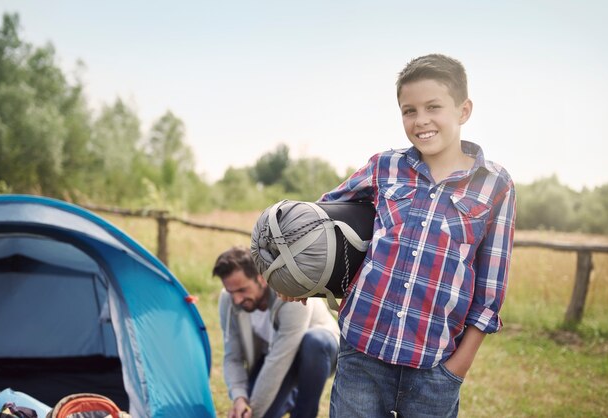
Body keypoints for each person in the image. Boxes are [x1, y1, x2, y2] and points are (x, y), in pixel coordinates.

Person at [285, 54, 516, 417]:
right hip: (362, 351)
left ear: (464, 110)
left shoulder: (495, 184)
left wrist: (457, 368)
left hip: (434, 366)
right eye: (409, 110)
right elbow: (319, 220)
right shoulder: (384, 166)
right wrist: (301, 274)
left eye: (433, 107)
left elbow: (490, 289)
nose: (421, 120)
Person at [213, 246, 340, 418]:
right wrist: (239, 398)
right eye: (231, 292)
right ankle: (289, 396)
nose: (237, 299)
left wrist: (255, 412)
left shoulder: (290, 293)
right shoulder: (228, 301)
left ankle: (303, 412)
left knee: (313, 342)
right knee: (256, 406)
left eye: (242, 290)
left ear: (262, 279)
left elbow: (279, 360)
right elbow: (232, 357)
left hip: (318, 351)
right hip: (272, 355)